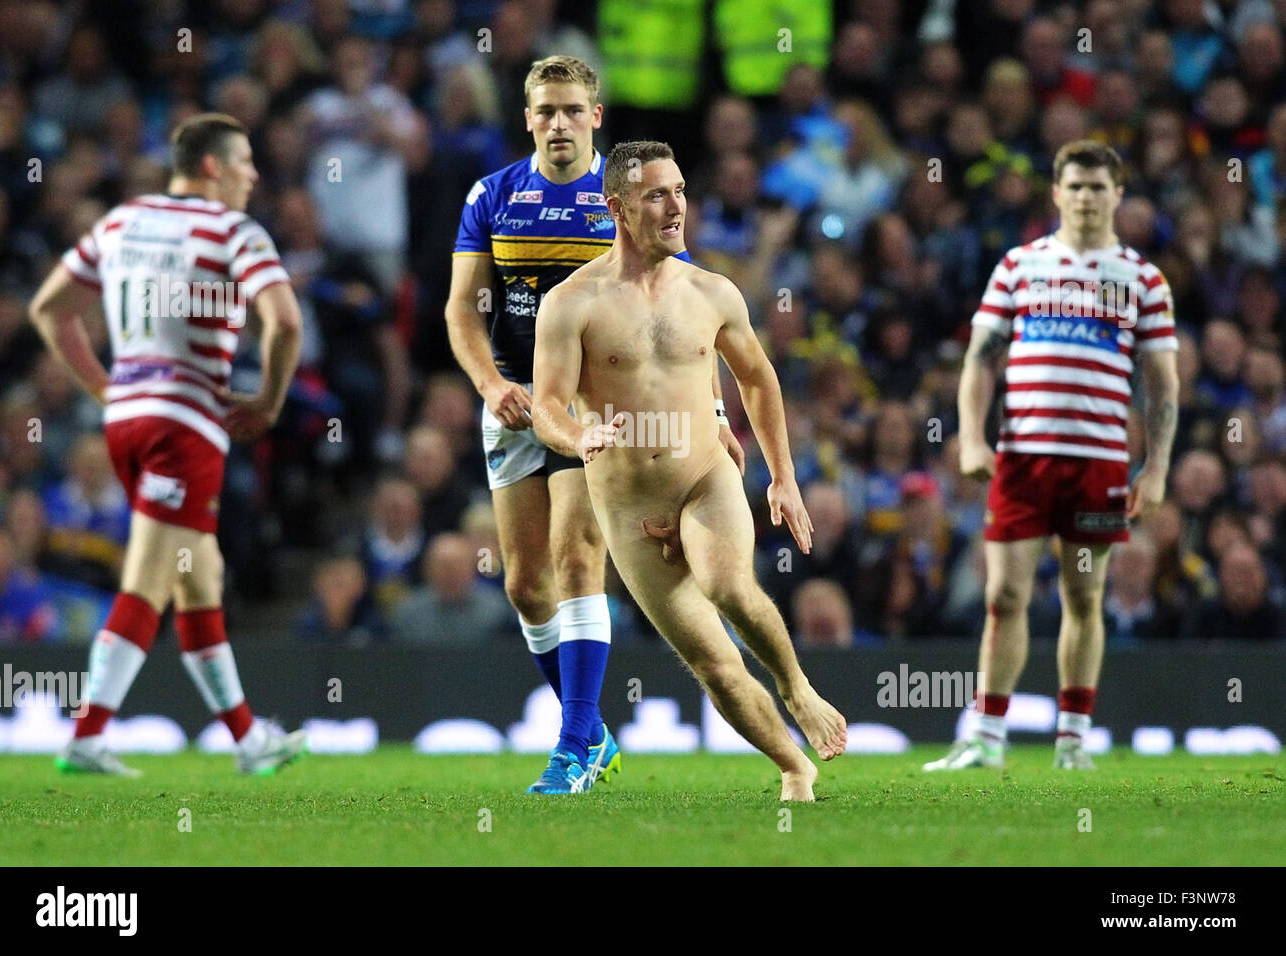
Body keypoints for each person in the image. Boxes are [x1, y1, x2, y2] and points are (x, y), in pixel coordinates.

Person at [445, 57, 742, 794]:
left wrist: (709, 409)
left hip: (602, 411)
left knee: (577, 556)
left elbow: (681, 313)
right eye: (545, 111)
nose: (559, 124)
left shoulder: (630, 193)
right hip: (520, 403)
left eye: (573, 110)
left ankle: (573, 744)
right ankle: (593, 728)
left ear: (597, 117)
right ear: (527, 119)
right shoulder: (493, 195)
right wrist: (489, 384)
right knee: (524, 586)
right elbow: (461, 309)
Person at [532, 140, 847, 801]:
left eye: (679, 191)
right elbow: (546, 409)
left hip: (704, 477)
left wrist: (783, 476)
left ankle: (797, 686)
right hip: (627, 510)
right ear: (618, 208)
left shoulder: (713, 291)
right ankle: (795, 765)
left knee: (728, 585)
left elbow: (758, 378)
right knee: (715, 667)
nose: (676, 205)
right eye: (657, 194)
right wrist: (579, 434)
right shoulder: (571, 303)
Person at [27, 113, 308, 776]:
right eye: (244, 161)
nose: (253, 175)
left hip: (126, 421)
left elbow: (50, 309)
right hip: (186, 426)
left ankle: (247, 741)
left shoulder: (124, 220)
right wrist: (267, 401)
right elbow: (286, 322)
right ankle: (88, 735)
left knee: (196, 573)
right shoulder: (233, 231)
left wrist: (105, 389)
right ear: (211, 166)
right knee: (152, 577)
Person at [924, 140, 1179, 771]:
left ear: (1118, 195)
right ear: (1056, 193)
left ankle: (1071, 741)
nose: (1087, 197)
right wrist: (973, 435)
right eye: (1076, 186)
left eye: (1099, 187)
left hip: (1096, 463)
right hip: (1023, 459)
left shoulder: (1142, 279)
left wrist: (1159, 466)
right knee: (1004, 597)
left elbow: (1163, 382)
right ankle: (987, 737)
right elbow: (981, 358)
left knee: (1083, 597)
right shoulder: (1019, 265)